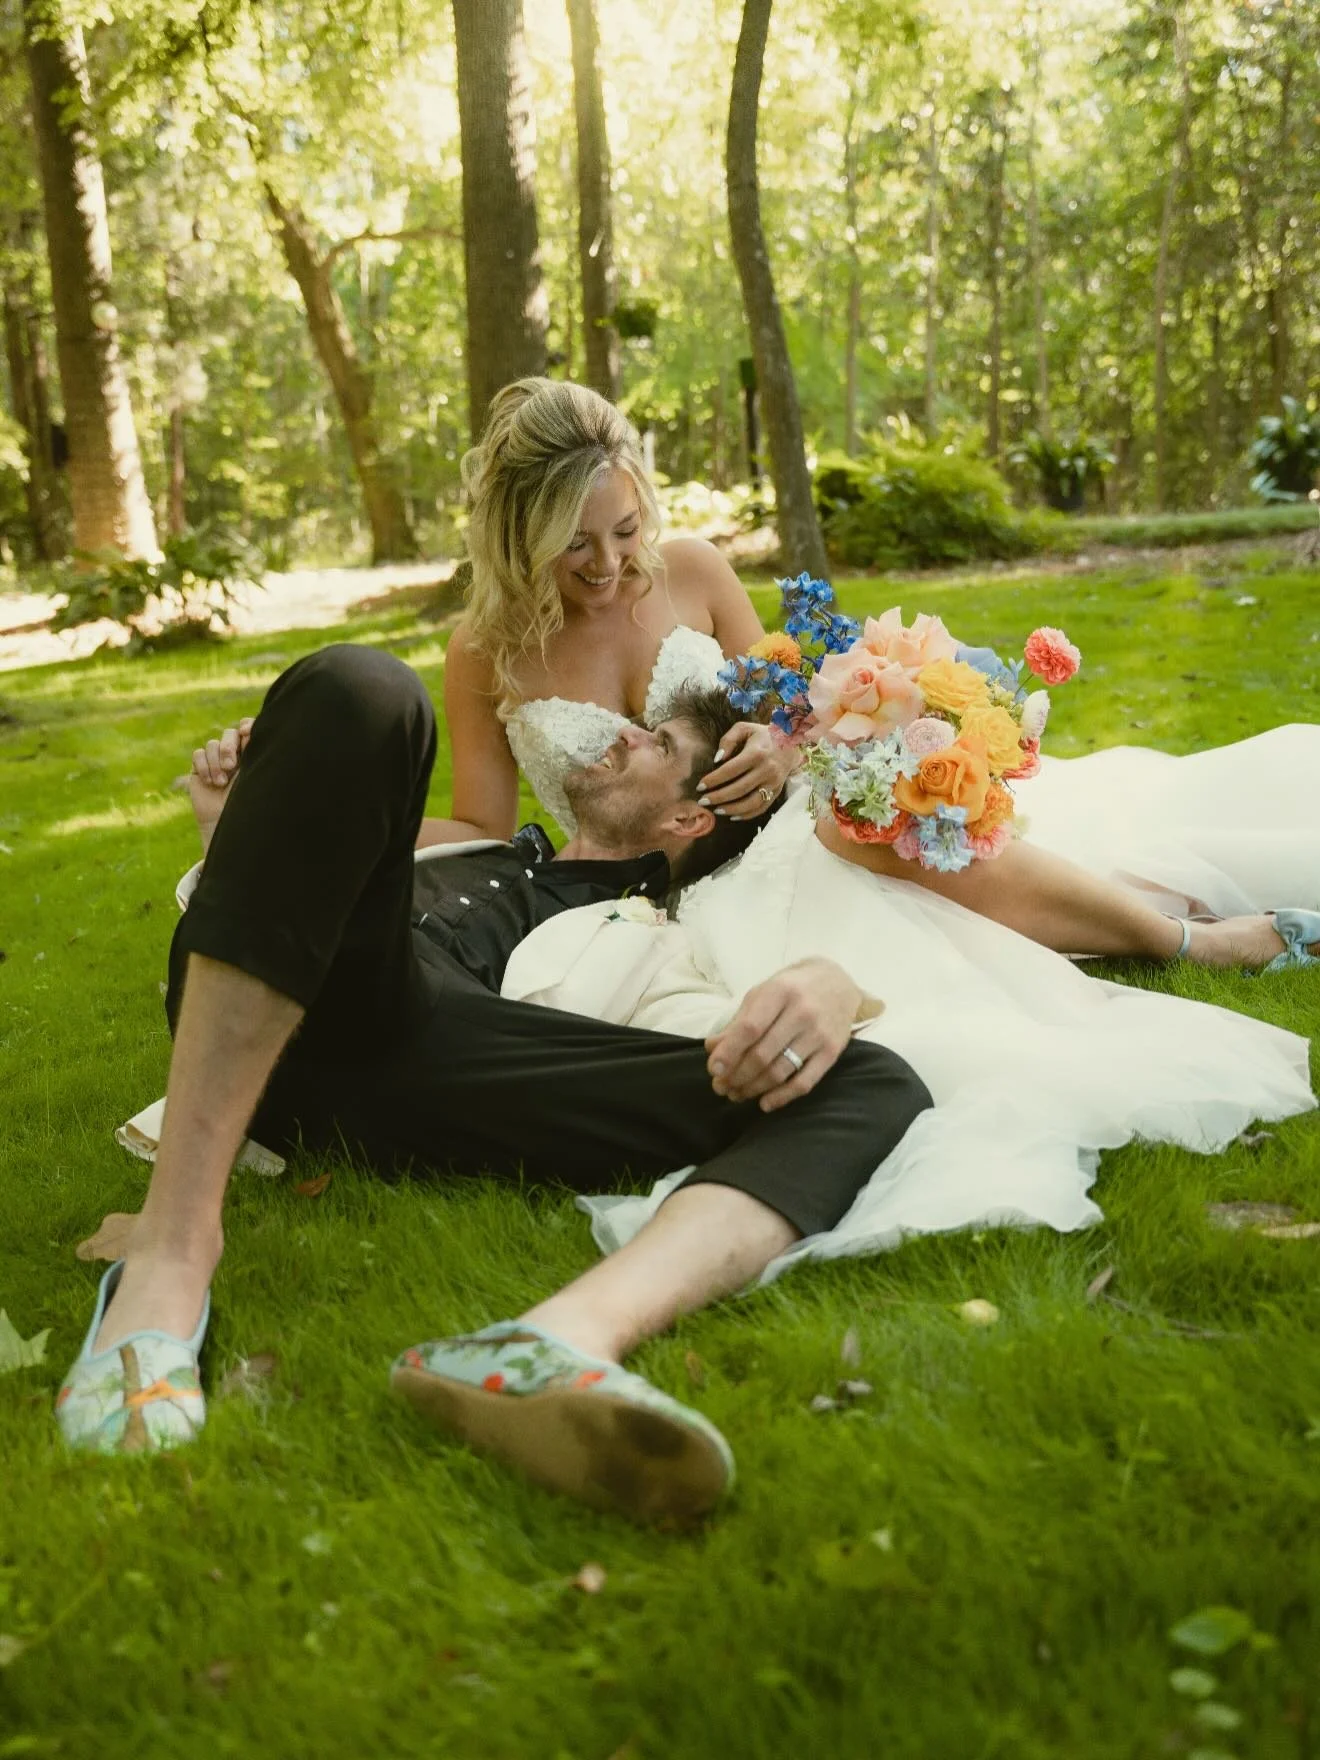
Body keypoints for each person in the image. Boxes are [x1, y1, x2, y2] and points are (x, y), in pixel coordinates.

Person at [57, 644, 933, 1526]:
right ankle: (170, 1261)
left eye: (659, 746)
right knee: (364, 688)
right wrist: (229, 824)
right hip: (314, 1008)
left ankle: (551, 1343)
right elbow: (273, 915)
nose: (622, 735)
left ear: (686, 824)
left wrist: (827, 980)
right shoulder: (476, 849)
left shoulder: (660, 933)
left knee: (868, 1080)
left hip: (435, 1050)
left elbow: (740, 1035)